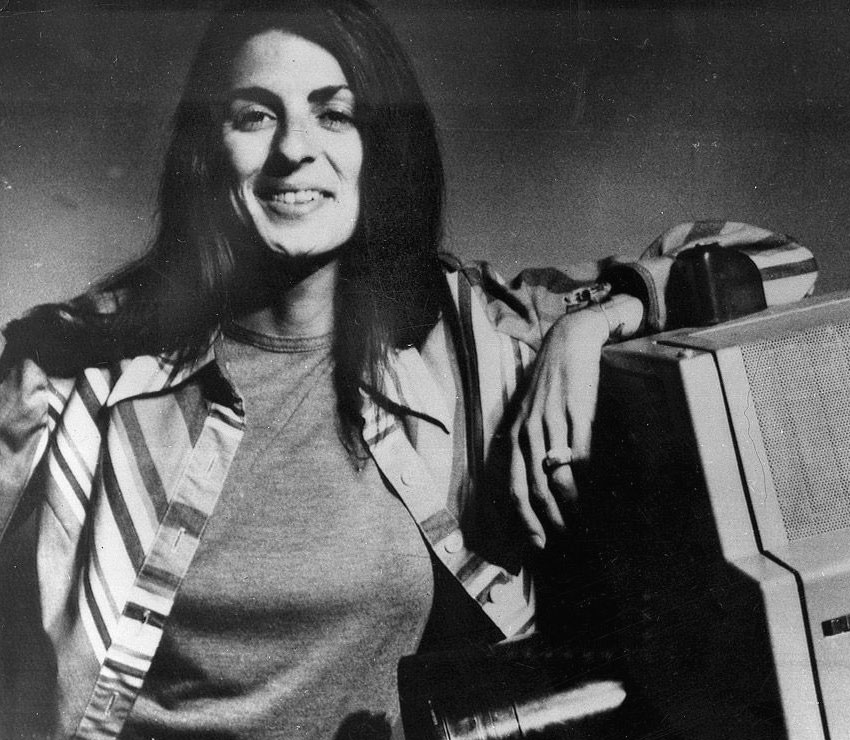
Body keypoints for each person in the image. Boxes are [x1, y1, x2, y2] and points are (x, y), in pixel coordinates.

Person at [0, 1, 638, 737]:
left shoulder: (458, 335)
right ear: (208, 149)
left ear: (380, 147)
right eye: (255, 116)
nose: (294, 150)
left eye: (334, 114)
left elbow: (746, 259)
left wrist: (587, 328)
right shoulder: (78, 365)